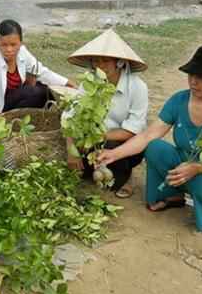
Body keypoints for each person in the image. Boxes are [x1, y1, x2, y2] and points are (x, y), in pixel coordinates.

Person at [97, 45, 202, 236]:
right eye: (191, 75)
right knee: (154, 147)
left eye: (201, 77)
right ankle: (174, 194)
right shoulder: (180, 99)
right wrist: (114, 154)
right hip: (183, 162)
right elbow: (148, 135)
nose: (193, 82)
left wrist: (197, 168)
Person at [63, 29, 149, 198]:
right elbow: (70, 118)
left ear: (119, 62)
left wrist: (98, 137)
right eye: (96, 61)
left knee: (113, 181)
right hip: (92, 142)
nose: (100, 66)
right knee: (81, 170)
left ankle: (127, 174)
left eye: (105, 61)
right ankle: (97, 166)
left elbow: (133, 130)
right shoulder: (89, 84)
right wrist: (71, 150)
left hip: (122, 145)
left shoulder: (137, 87)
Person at [0, 19, 76, 113]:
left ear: (20, 43)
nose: (9, 49)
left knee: (47, 90)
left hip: (18, 99)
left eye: (13, 44)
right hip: (0, 107)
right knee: (31, 91)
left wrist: (69, 84)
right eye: (4, 45)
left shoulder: (22, 52)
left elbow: (43, 72)